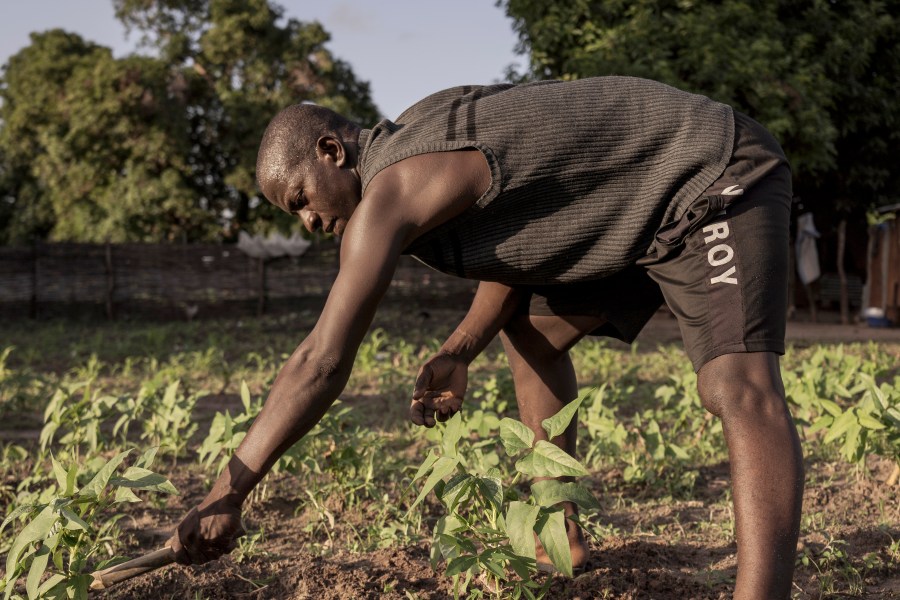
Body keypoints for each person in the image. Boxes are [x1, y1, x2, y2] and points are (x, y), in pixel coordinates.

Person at [168, 76, 804, 599]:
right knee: (532, 336)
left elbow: (322, 360)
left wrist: (229, 493)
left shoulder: (393, 190)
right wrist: (459, 349)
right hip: (635, 209)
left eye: (300, 197)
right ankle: (558, 535)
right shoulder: (417, 142)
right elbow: (517, 251)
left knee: (736, 385)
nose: (308, 221)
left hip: (708, 172)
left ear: (331, 150)